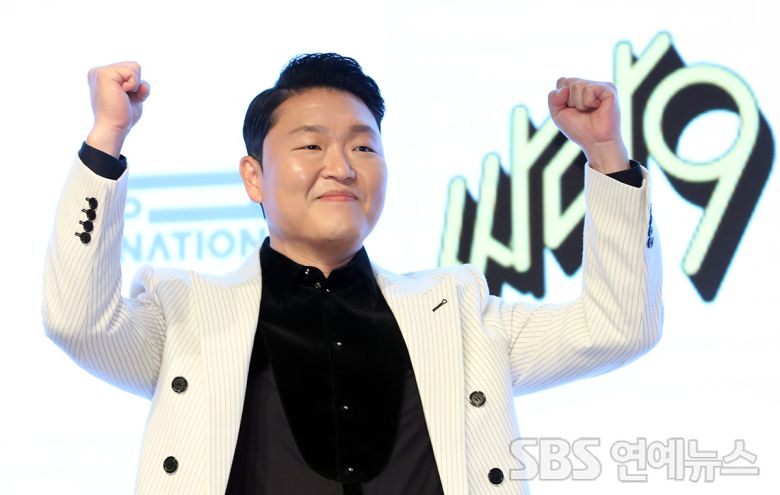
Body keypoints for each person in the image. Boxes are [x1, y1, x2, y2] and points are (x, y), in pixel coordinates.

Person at [42, 54, 663, 495]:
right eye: (311, 146)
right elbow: (78, 320)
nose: (341, 166)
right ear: (254, 177)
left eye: (363, 147)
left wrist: (606, 156)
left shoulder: (458, 311)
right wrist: (107, 137)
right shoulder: (185, 313)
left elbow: (618, 327)